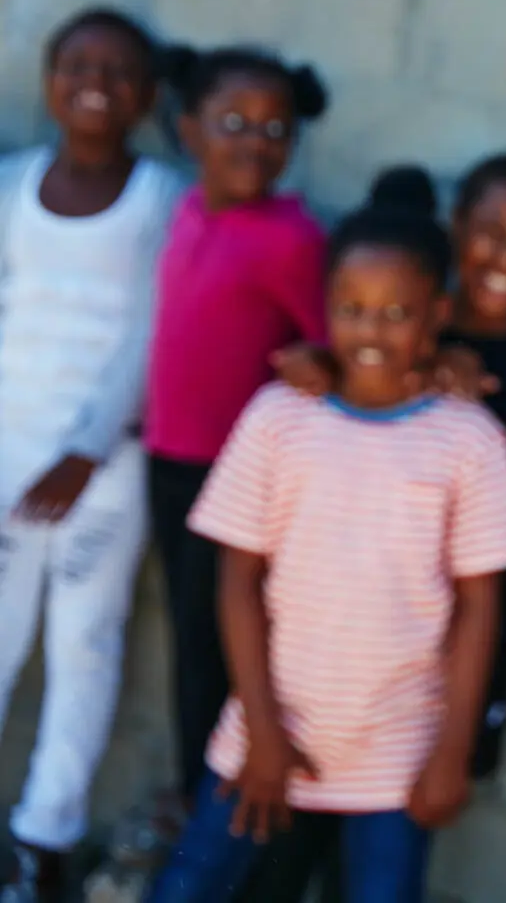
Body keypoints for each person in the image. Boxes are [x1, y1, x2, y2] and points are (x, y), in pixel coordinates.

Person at [145, 169, 506, 903]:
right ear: (325, 308)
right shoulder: (278, 418)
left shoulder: (469, 440)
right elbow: (237, 582)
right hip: (264, 732)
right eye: (352, 309)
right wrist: (263, 732)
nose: (372, 330)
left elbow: (479, 605)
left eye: (397, 312)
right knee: (191, 885)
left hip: (399, 752)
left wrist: (451, 752)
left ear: (437, 314)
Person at [0, 8, 188, 903]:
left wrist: (86, 450)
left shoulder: (161, 200)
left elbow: (153, 332)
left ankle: (44, 840)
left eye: (118, 71)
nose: (95, 84)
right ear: (48, 80)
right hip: (8, 450)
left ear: (147, 97)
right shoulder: (12, 185)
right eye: (76, 65)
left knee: (83, 643)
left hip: (101, 467)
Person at [144, 45, 330, 818]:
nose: (255, 142)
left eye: (274, 129)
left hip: (235, 485)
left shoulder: (290, 237)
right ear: (189, 129)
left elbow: (333, 345)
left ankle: (223, 814)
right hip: (170, 464)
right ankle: (201, 800)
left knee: (221, 646)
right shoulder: (190, 209)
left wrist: (316, 365)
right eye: (234, 123)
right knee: (189, 640)